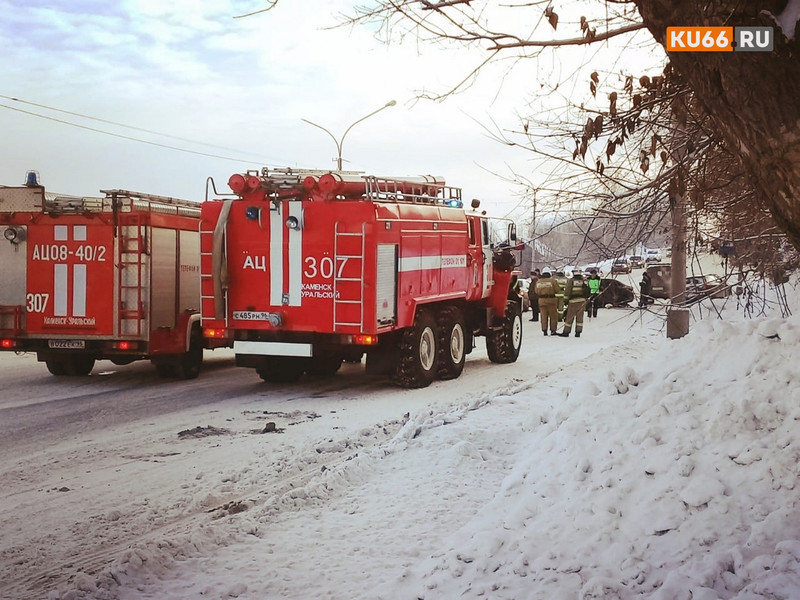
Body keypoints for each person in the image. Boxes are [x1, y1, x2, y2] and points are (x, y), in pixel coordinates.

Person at [559, 270, 590, 337]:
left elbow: (567, 291)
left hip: (573, 301)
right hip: (582, 301)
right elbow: (588, 291)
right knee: (579, 318)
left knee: (569, 317)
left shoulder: (571, 281)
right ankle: (578, 332)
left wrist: (565, 300)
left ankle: (566, 332)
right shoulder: (584, 281)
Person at [534, 268, 560, 336]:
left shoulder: (538, 281)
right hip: (551, 299)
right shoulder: (552, 280)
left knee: (543, 316)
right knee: (553, 316)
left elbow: (536, 291)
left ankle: (544, 330)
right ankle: (553, 330)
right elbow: (557, 289)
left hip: (541, 300)